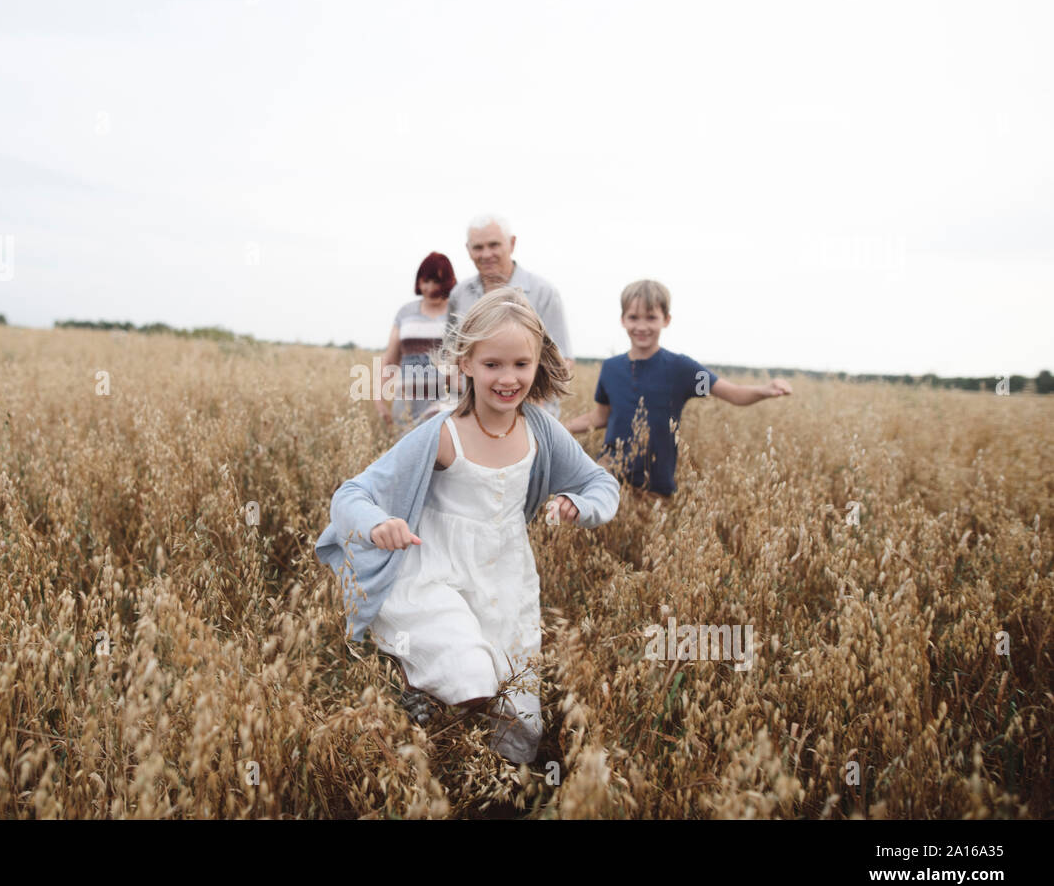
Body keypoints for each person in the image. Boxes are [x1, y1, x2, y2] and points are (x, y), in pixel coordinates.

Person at [315, 287, 620, 764]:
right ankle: (416, 699)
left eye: (521, 364)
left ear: (539, 363)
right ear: (465, 363)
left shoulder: (541, 431)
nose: (508, 378)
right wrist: (378, 525)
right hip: (437, 574)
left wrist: (579, 505)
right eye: (493, 364)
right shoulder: (442, 433)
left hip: (508, 583)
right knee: (470, 674)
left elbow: (600, 483)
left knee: (519, 725)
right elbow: (351, 494)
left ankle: (488, 790)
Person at [564, 279, 793, 499]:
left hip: (655, 484)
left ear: (666, 319)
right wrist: (562, 428)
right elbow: (600, 417)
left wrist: (765, 390)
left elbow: (731, 393)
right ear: (623, 320)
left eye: (651, 317)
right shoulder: (610, 368)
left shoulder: (682, 369)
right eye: (633, 317)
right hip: (609, 475)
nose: (641, 326)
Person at [446, 214, 575, 420]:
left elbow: (563, 360)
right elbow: (451, 355)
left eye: (494, 245)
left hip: (532, 414)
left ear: (512, 243)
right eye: (478, 247)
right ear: (468, 250)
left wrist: (526, 396)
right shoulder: (459, 295)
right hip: (471, 416)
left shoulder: (543, 292)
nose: (486, 254)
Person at [375, 253, 455, 431]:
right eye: (426, 281)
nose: (431, 288)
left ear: (448, 282)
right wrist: (378, 399)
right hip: (406, 405)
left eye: (437, 282)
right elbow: (390, 359)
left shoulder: (457, 313)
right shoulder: (406, 313)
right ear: (419, 282)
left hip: (445, 404)